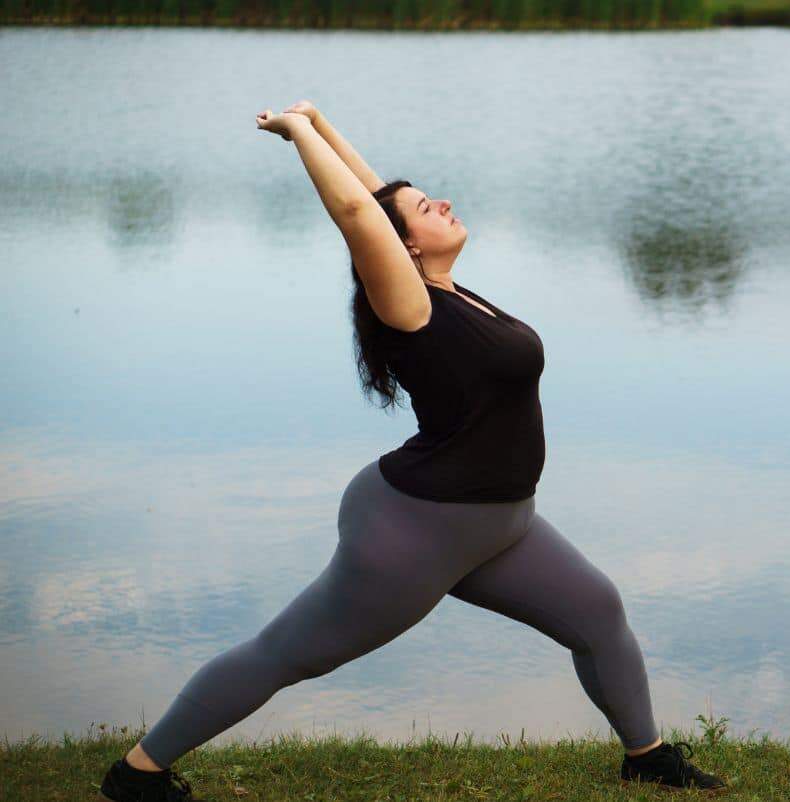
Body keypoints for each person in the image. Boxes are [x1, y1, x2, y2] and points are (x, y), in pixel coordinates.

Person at [95, 101, 728, 801]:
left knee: (598, 613)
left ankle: (647, 758)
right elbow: (363, 217)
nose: (444, 203)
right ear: (406, 248)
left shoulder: (447, 289)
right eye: (428, 207)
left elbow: (376, 201)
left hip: (500, 525)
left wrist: (323, 120)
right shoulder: (409, 304)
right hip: (415, 533)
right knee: (288, 654)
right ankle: (137, 773)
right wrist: (298, 135)